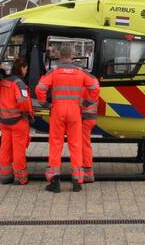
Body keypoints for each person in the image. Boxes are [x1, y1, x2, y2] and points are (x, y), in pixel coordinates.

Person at [35, 47, 101, 193]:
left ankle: (54, 181)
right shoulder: (80, 72)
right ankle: (77, 181)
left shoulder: (54, 71)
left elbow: (40, 88)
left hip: (57, 110)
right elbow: (95, 87)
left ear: (59, 56)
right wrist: (87, 102)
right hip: (75, 111)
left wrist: (44, 103)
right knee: (76, 144)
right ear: (72, 56)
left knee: (56, 144)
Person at [0, 57, 34, 185]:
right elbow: (23, 100)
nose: (26, 71)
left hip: (4, 121)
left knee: (5, 148)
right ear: (22, 68)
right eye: (26, 68)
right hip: (18, 121)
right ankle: (20, 177)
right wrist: (26, 113)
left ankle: (5, 176)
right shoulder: (19, 84)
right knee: (19, 149)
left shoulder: (4, 81)